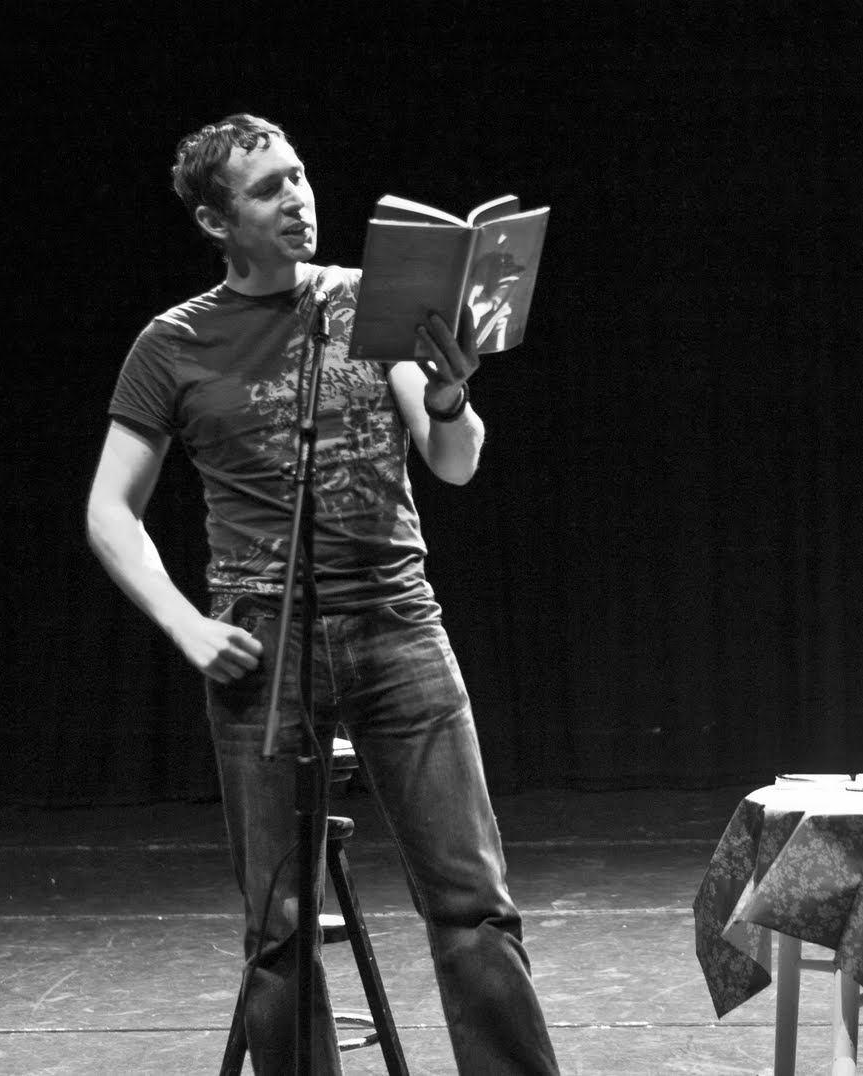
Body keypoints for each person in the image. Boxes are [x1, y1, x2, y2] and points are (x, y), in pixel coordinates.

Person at [85, 114, 560, 1075]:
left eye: (299, 176)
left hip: (395, 624)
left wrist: (452, 397)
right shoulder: (173, 343)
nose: (298, 198)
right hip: (261, 642)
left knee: (473, 906)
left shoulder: (372, 301)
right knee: (280, 929)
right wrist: (185, 626)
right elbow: (108, 511)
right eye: (269, 188)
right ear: (216, 221)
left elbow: (454, 462)